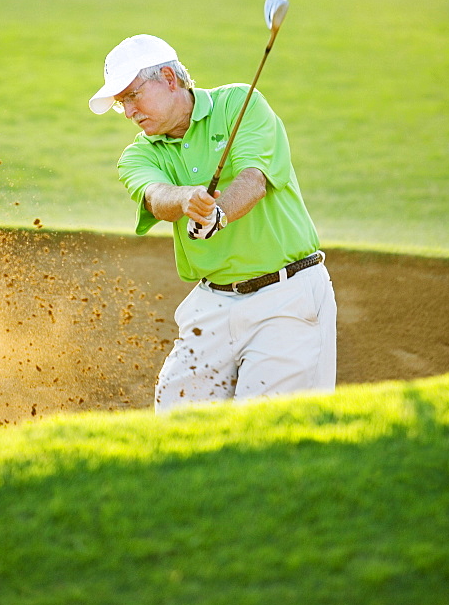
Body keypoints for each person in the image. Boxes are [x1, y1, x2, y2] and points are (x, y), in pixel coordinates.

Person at [89, 33, 337, 413]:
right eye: (121, 103)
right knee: (177, 417)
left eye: (133, 95)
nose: (128, 111)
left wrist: (217, 214)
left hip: (286, 294)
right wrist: (187, 199)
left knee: (268, 427)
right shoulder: (137, 154)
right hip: (212, 302)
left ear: (170, 78)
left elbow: (254, 181)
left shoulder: (240, 103)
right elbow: (155, 196)